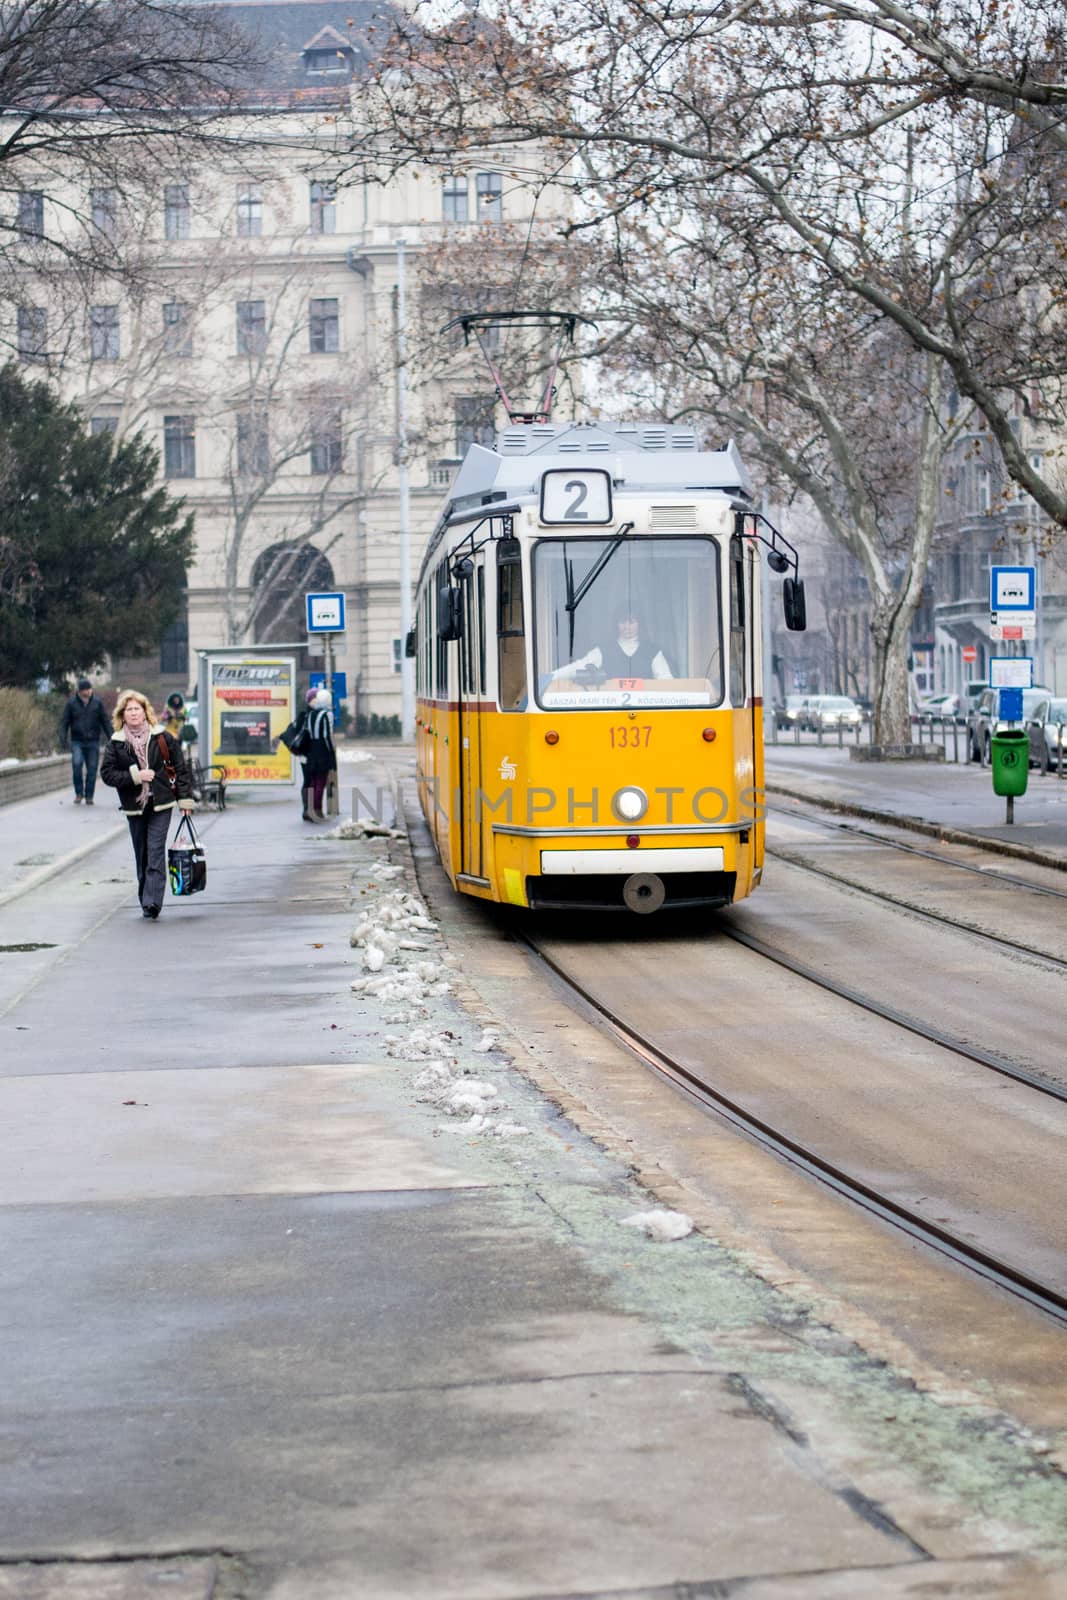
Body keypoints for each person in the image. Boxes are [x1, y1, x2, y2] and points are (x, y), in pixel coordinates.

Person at [100, 689, 195, 920]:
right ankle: (145, 897)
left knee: (155, 851)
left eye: (137, 709)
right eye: (129, 709)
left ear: (145, 712)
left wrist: (184, 799)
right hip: (134, 805)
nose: (133, 713)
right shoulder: (116, 743)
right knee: (141, 853)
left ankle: (152, 902)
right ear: (122, 715)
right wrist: (135, 777)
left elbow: (180, 768)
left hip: (161, 804)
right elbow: (107, 774)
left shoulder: (162, 737)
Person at [552, 614, 673, 682]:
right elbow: (578, 666)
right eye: (622, 622)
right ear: (616, 624)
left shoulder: (652, 651)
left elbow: (666, 681)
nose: (627, 627)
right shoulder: (603, 650)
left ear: (640, 624)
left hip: (647, 713)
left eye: (631, 622)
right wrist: (551, 676)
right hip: (610, 713)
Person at [59, 677, 111, 806]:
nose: (87, 692)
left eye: (89, 689)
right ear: (79, 691)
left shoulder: (97, 703)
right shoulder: (71, 703)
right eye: (85, 690)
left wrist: (112, 737)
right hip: (77, 741)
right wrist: (63, 738)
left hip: (93, 741)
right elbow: (64, 722)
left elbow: (105, 721)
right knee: (77, 765)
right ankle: (78, 793)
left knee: (92, 769)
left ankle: (89, 796)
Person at [276, 687, 319, 821]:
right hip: (306, 753)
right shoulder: (306, 715)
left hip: (308, 753)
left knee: (310, 781)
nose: (316, 701)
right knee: (309, 781)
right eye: (314, 699)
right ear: (309, 700)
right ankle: (308, 809)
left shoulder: (310, 714)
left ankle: (308, 809)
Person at [303, 688, 336, 821]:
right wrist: (331, 753)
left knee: (313, 781)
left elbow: (308, 733)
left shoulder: (310, 715)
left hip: (311, 751)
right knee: (321, 781)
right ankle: (317, 809)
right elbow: (327, 736)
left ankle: (310, 809)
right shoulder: (327, 715)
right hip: (322, 750)